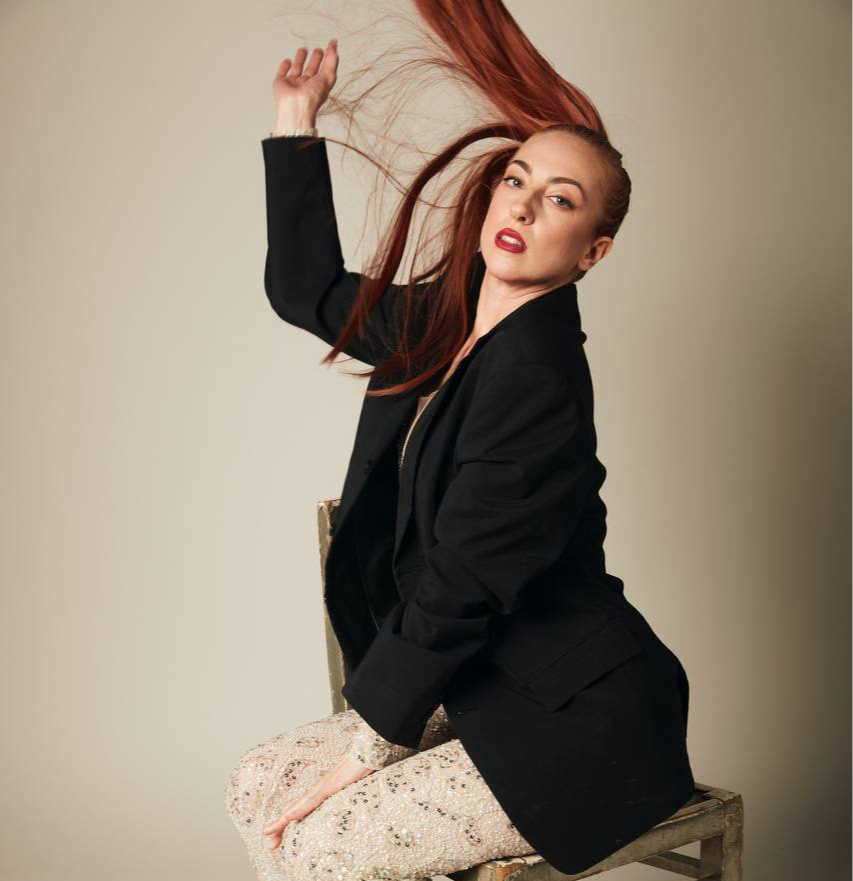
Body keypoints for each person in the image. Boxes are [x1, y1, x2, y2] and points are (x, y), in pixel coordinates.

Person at [226, 4, 695, 879]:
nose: (523, 205)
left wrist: (364, 752)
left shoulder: (537, 379)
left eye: (559, 200)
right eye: (517, 179)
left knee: (320, 841)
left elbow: (464, 580)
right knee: (256, 781)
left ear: (591, 252)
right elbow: (304, 289)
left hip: (574, 716)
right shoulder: (438, 323)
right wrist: (296, 120)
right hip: (482, 679)